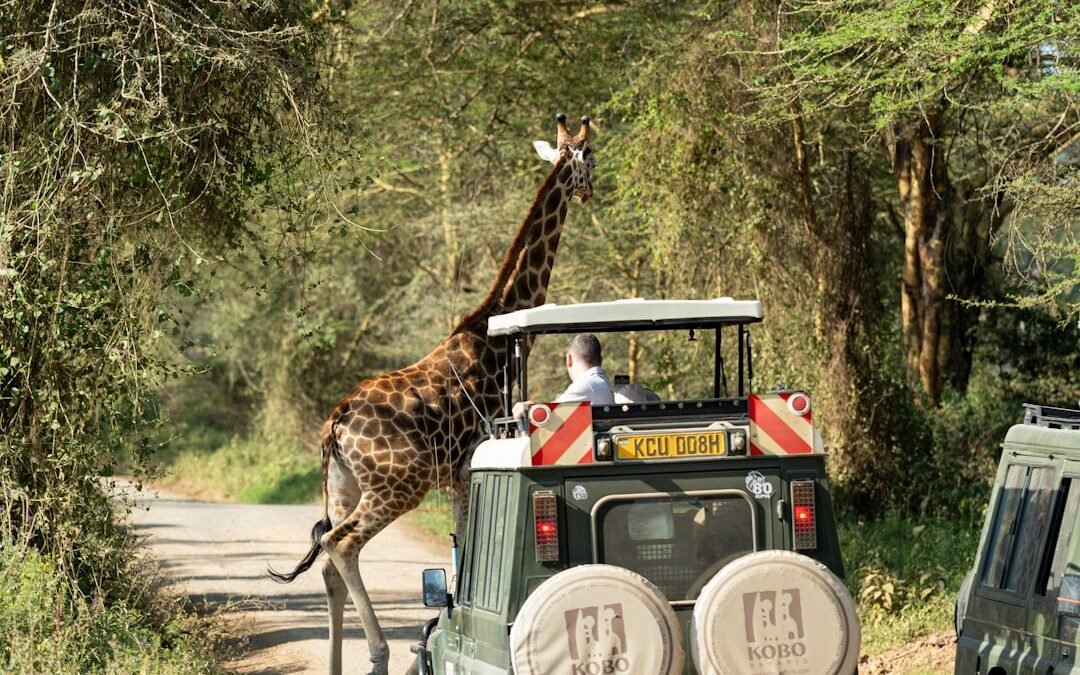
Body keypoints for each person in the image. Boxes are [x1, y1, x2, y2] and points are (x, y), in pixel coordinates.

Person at [513, 333, 615, 420]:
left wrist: (526, 409)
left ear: (569, 359)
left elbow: (547, 413)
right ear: (601, 360)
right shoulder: (600, 382)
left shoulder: (587, 385)